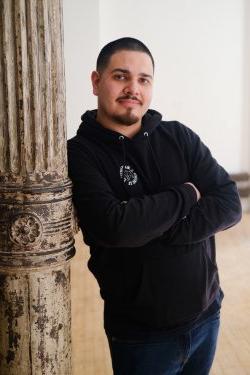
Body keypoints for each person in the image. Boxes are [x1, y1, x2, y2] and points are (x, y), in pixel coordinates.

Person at [67, 37, 242, 375]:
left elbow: (229, 203)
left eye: (143, 79)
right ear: (96, 81)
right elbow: (115, 228)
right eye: (121, 76)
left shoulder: (179, 136)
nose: (133, 88)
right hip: (142, 338)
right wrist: (188, 195)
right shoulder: (79, 154)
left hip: (207, 315)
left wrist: (163, 227)